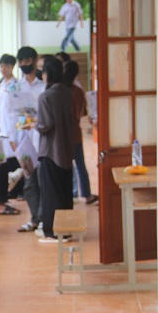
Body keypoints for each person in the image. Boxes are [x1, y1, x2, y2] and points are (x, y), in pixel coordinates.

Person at [36, 56, 75, 242]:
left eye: (43, 71)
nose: (42, 75)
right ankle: (66, 228)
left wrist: (34, 124)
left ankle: (52, 231)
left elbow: (45, 125)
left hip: (51, 150)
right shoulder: (67, 92)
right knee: (65, 191)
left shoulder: (46, 96)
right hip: (66, 149)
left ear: (48, 73)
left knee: (50, 193)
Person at [10, 46, 48, 233]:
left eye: (28, 61)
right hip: (24, 140)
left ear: (34, 61)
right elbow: (11, 114)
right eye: (21, 62)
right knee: (29, 181)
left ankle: (44, 219)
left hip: (42, 139)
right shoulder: (16, 87)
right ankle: (34, 218)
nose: (24, 65)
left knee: (43, 181)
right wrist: (12, 138)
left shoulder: (44, 85)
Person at [63, 60, 98, 205]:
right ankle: (87, 194)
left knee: (65, 165)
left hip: (62, 134)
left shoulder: (60, 91)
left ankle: (69, 194)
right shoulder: (78, 91)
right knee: (80, 164)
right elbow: (83, 112)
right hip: (75, 133)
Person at [0, 53, 22, 215]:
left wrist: (14, 136)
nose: (3, 69)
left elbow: (18, 112)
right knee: (0, 168)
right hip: (1, 132)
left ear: (12, 67)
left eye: (7, 66)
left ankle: (1, 198)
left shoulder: (15, 85)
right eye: (2, 66)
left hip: (11, 132)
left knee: (4, 167)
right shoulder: (2, 84)